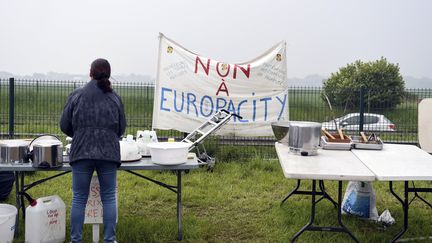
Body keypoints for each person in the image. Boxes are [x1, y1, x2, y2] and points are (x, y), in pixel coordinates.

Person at [60, 58, 126, 243]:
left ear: (90, 73)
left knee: (79, 198)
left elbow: (64, 125)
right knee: (109, 198)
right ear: (109, 74)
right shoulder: (115, 98)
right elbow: (121, 129)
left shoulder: (76, 95)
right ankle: (110, 240)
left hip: (81, 152)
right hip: (108, 154)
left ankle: (76, 240)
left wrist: (81, 133)